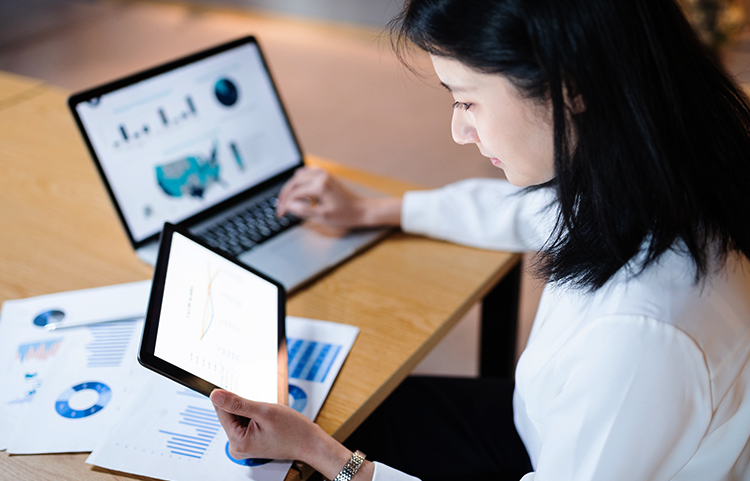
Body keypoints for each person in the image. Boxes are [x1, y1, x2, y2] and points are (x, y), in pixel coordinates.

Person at [209, 0, 750, 479]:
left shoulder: (642, 335)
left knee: (317, 439)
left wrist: (334, 461)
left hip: (557, 455)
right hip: (547, 428)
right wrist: (374, 209)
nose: (457, 131)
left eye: (466, 100)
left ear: (571, 86)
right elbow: (525, 211)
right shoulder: (656, 167)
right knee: (354, 406)